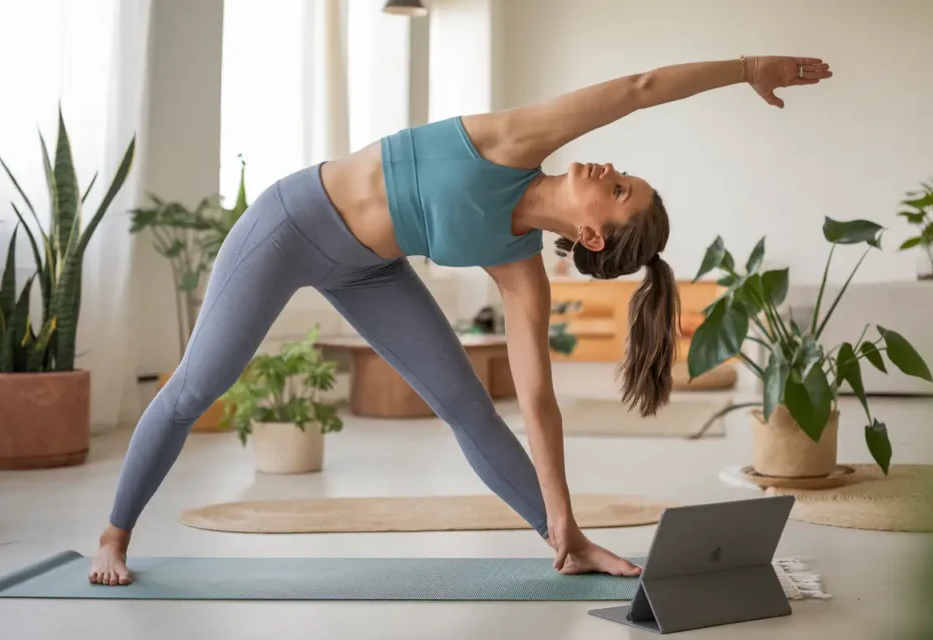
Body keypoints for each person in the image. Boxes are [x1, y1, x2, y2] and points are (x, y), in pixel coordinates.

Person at [89, 55, 832, 585]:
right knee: (196, 389)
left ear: (596, 236)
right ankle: (115, 533)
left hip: (370, 270)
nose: (609, 170)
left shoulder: (519, 269)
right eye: (623, 175)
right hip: (287, 226)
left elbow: (536, 404)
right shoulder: (515, 143)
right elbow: (639, 89)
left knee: (472, 410)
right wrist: (745, 67)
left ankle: (563, 544)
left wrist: (564, 523)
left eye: (620, 188)